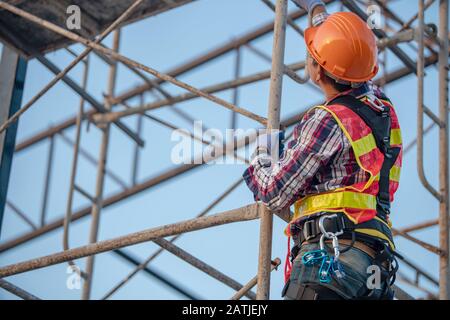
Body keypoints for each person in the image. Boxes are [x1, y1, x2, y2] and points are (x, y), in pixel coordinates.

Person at [243, 0, 403, 300]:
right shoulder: (383, 109)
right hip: (374, 268)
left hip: (331, 259)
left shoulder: (327, 121)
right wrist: (319, 15)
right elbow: (351, 56)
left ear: (316, 71)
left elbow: (274, 190)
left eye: (312, 55)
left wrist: (261, 155)